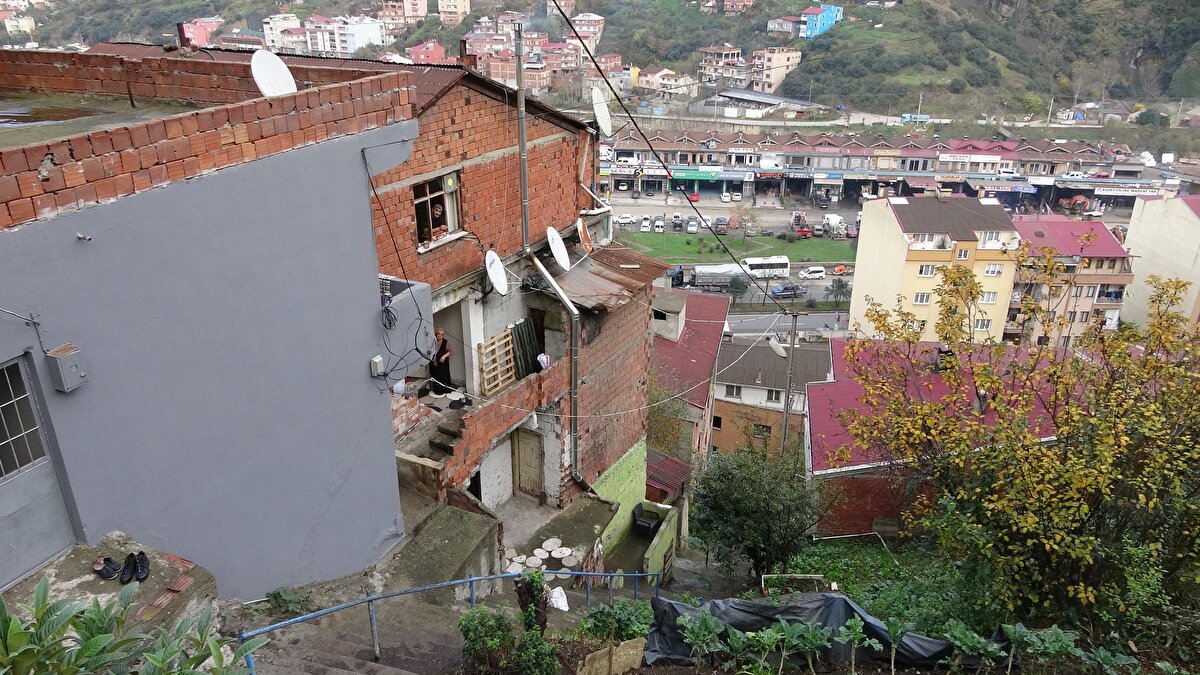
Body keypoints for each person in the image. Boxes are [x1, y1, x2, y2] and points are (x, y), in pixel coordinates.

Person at [428, 328, 453, 397]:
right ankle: (436, 390)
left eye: (442, 334)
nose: (440, 336)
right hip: (433, 363)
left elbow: (450, 351)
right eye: (438, 334)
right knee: (434, 376)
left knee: (443, 376)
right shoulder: (433, 342)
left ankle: (443, 390)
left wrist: (444, 356)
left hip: (442, 364)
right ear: (436, 334)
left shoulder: (445, 342)